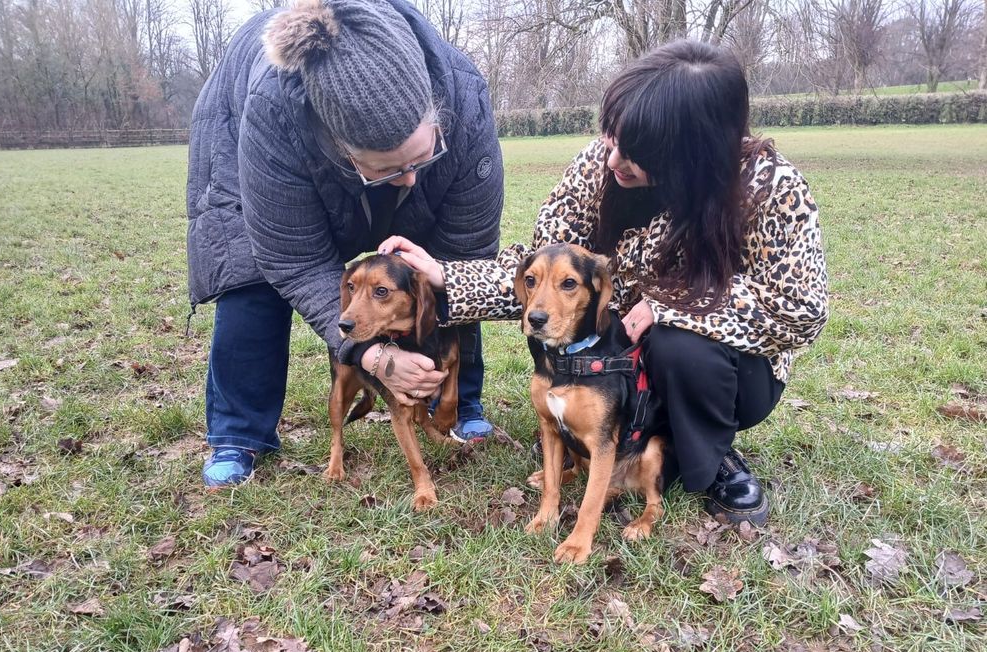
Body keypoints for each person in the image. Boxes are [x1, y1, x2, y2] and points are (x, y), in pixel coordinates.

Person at [383, 40, 828, 525]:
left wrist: (670, 307)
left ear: (695, 154)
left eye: (637, 154)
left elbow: (799, 311)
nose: (614, 160)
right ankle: (595, 431)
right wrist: (448, 276)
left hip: (730, 370)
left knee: (678, 343)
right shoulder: (599, 166)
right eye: (611, 137)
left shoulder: (769, 188)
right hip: (612, 357)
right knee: (616, 335)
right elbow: (547, 273)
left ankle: (707, 450)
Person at [186, 0, 503, 488]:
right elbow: (296, 261)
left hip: (430, 146)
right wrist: (371, 356)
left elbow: (466, 254)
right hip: (248, 144)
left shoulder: (464, 97)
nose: (412, 179)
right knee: (249, 278)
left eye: (422, 155)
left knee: (441, 273)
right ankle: (238, 433)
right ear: (340, 150)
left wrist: (438, 279)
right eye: (389, 168)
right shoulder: (273, 113)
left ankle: (457, 402)